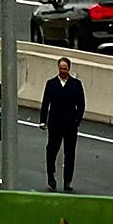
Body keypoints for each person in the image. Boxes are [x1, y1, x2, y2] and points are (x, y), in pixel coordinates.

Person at [39, 57, 86, 192]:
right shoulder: (51, 83)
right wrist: (43, 120)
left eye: (65, 68)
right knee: (51, 151)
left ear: (69, 69)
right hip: (55, 124)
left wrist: (77, 120)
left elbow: (81, 104)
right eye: (61, 68)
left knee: (70, 153)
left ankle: (68, 181)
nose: (63, 71)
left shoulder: (76, 84)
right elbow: (45, 103)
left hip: (70, 124)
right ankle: (51, 175)